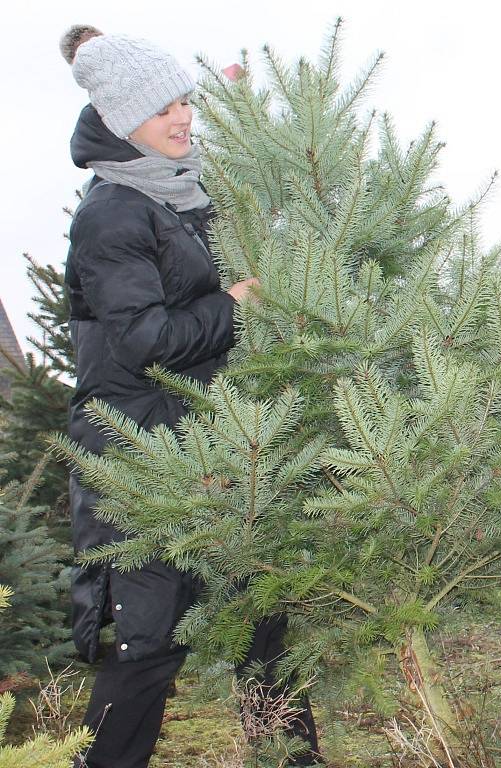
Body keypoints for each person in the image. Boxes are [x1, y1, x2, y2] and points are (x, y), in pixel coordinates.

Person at [60, 25, 321, 768]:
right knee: (145, 645)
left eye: (184, 101)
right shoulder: (112, 212)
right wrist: (236, 303)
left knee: (259, 623)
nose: (181, 119)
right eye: (160, 108)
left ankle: (289, 760)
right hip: (139, 456)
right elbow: (144, 340)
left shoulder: (182, 189)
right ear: (118, 120)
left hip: (215, 446)